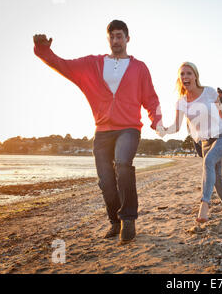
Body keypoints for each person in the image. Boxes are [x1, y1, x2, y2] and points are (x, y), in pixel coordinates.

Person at [33, 20, 163, 244]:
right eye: (112, 36)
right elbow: (62, 64)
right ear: (108, 39)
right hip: (102, 130)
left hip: (129, 128)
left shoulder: (139, 67)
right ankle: (115, 221)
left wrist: (157, 120)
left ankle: (129, 219)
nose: (116, 40)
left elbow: (150, 97)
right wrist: (44, 50)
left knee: (123, 164)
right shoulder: (93, 63)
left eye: (119, 36)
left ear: (127, 39)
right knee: (105, 181)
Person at [159, 62, 222, 222]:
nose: (185, 77)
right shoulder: (181, 102)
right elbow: (176, 127)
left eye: (189, 73)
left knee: (209, 161)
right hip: (205, 142)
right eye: (182, 74)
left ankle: (204, 205)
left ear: (195, 76)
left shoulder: (209, 92)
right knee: (217, 178)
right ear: (180, 79)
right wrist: (164, 130)